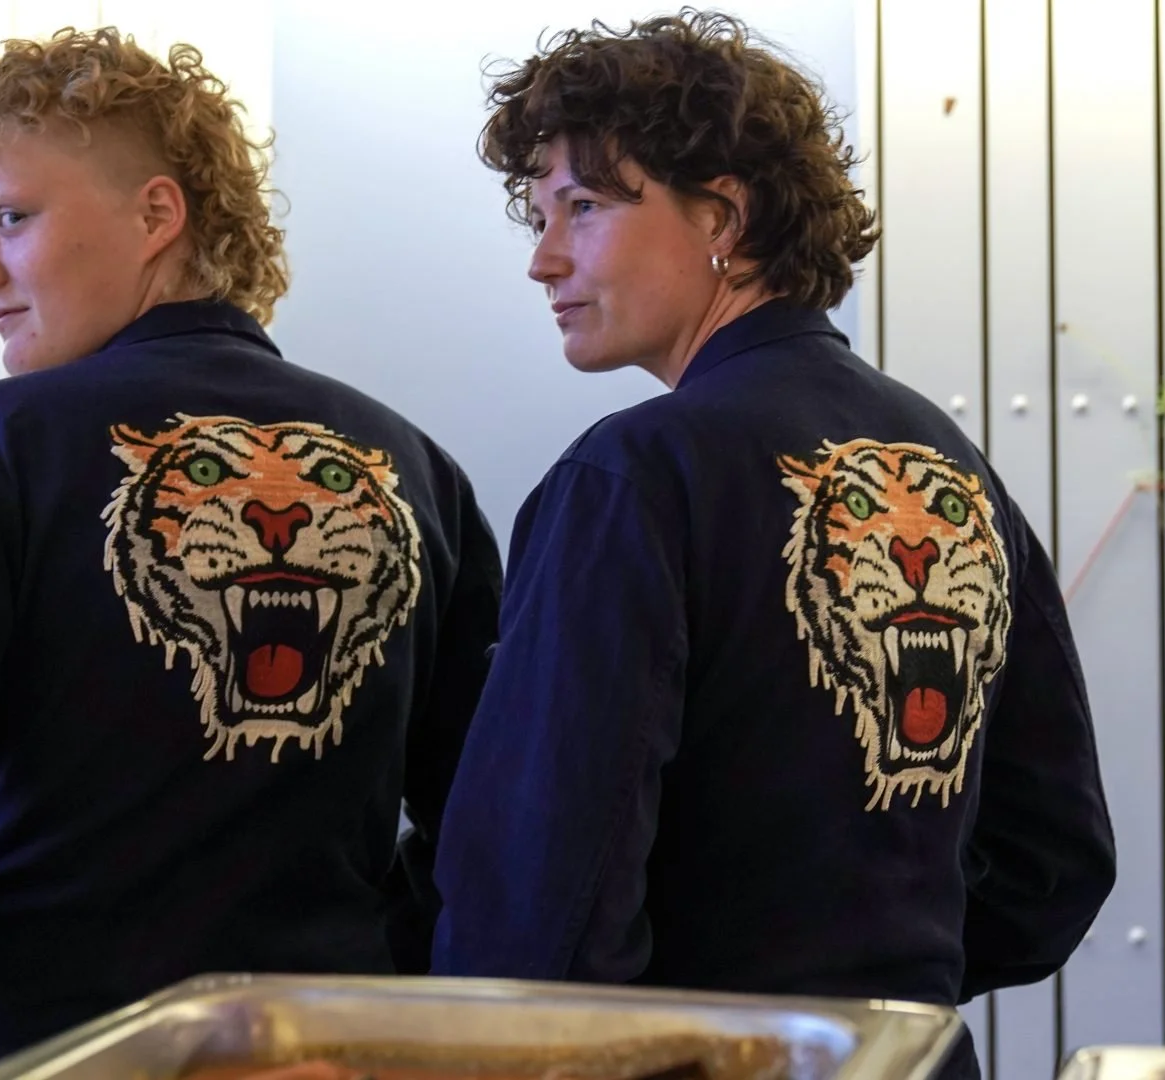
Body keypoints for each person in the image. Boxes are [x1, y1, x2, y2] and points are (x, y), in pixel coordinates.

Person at [0, 28, 501, 1080]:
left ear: (158, 215)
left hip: (47, 1047)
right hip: (328, 1049)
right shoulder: (411, 466)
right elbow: (489, 812)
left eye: (12, 218)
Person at [429, 11, 1114, 1076]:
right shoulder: (947, 466)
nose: (544, 257)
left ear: (724, 219)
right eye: (539, 211)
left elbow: (543, 887)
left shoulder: (634, 475)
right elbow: (1053, 862)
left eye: (587, 206)